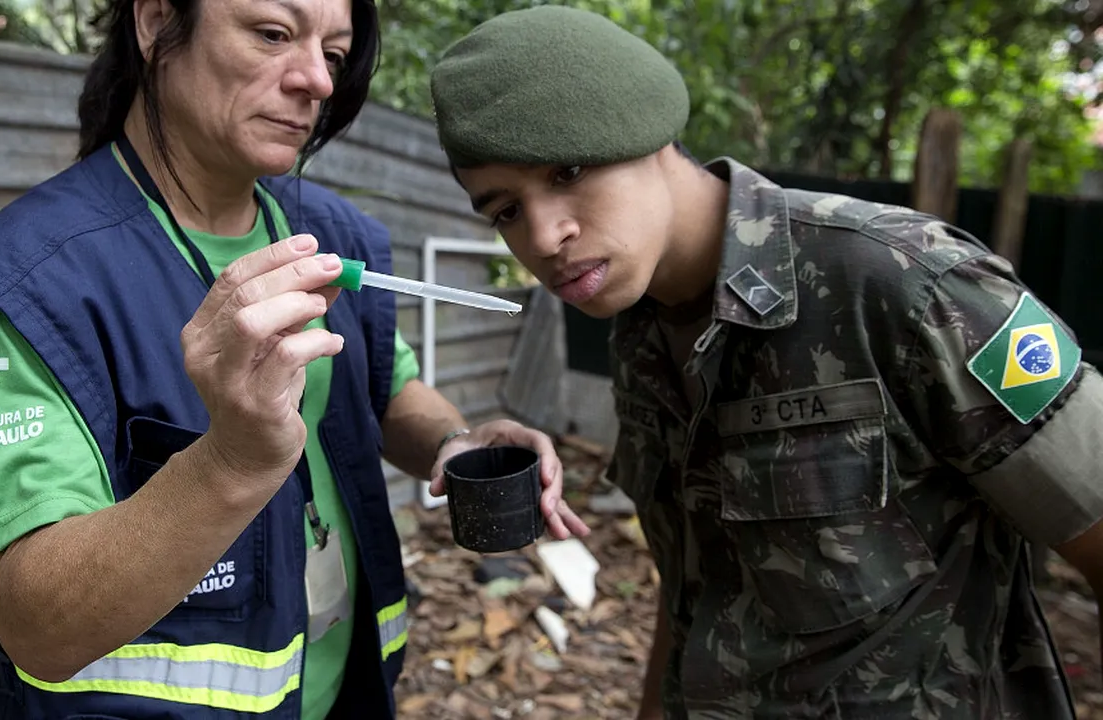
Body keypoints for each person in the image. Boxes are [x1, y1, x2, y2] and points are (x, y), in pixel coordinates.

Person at [0, 1, 589, 718]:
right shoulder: (27, 287)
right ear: (156, 21)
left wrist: (457, 440)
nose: (318, 80)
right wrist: (230, 460)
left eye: (336, 55)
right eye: (272, 33)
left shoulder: (327, 236)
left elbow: (386, 388)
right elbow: (38, 624)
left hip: (339, 692)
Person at [428, 6, 1103, 719]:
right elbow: (700, 588)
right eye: (504, 211)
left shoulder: (905, 281)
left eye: (568, 171)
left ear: (649, 131)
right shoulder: (642, 330)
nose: (544, 234)